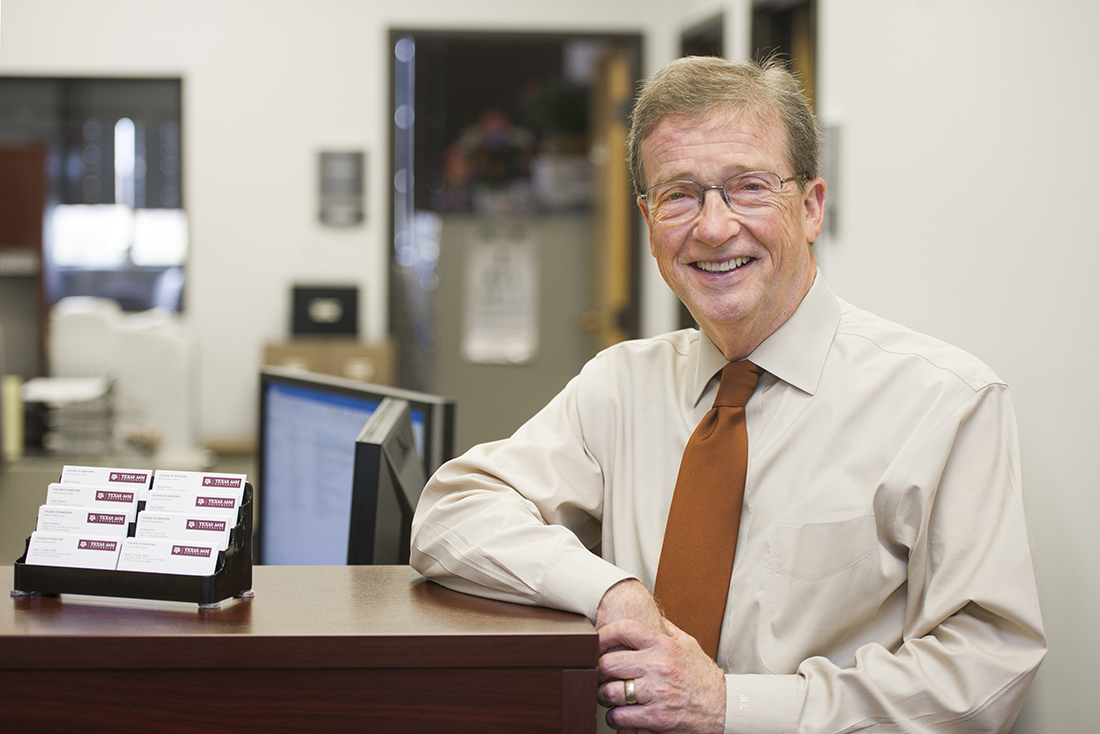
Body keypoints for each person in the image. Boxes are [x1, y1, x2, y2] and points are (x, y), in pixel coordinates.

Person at [410, 55, 1046, 733]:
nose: (713, 228)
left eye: (747, 188)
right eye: (679, 194)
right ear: (647, 219)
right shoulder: (620, 385)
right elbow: (453, 515)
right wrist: (611, 590)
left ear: (810, 208)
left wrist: (727, 706)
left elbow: (986, 670)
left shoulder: (945, 401)